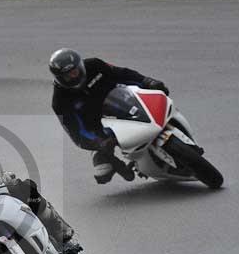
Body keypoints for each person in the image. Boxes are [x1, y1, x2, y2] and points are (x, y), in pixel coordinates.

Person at [49, 47, 169, 184]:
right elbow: (76, 132)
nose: (73, 76)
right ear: (59, 78)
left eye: (75, 71)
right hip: (102, 129)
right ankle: (115, 159)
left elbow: (122, 74)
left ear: (80, 66)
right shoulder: (60, 101)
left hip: (122, 103)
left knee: (156, 97)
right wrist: (98, 142)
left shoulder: (94, 65)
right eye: (67, 75)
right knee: (103, 172)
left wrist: (148, 81)